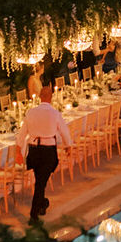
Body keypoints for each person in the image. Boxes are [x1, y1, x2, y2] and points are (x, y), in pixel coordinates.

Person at [19, 85, 74, 223]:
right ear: (51, 97)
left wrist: (18, 150)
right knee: (40, 183)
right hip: (48, 151)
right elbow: (64, 131)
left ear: (39, 97)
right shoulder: (55, 114)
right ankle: (34, 214)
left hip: (34, 150)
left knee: (40, 180)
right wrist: (68, 146)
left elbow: (22, 133)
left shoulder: (31, 112)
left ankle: (42, 204)